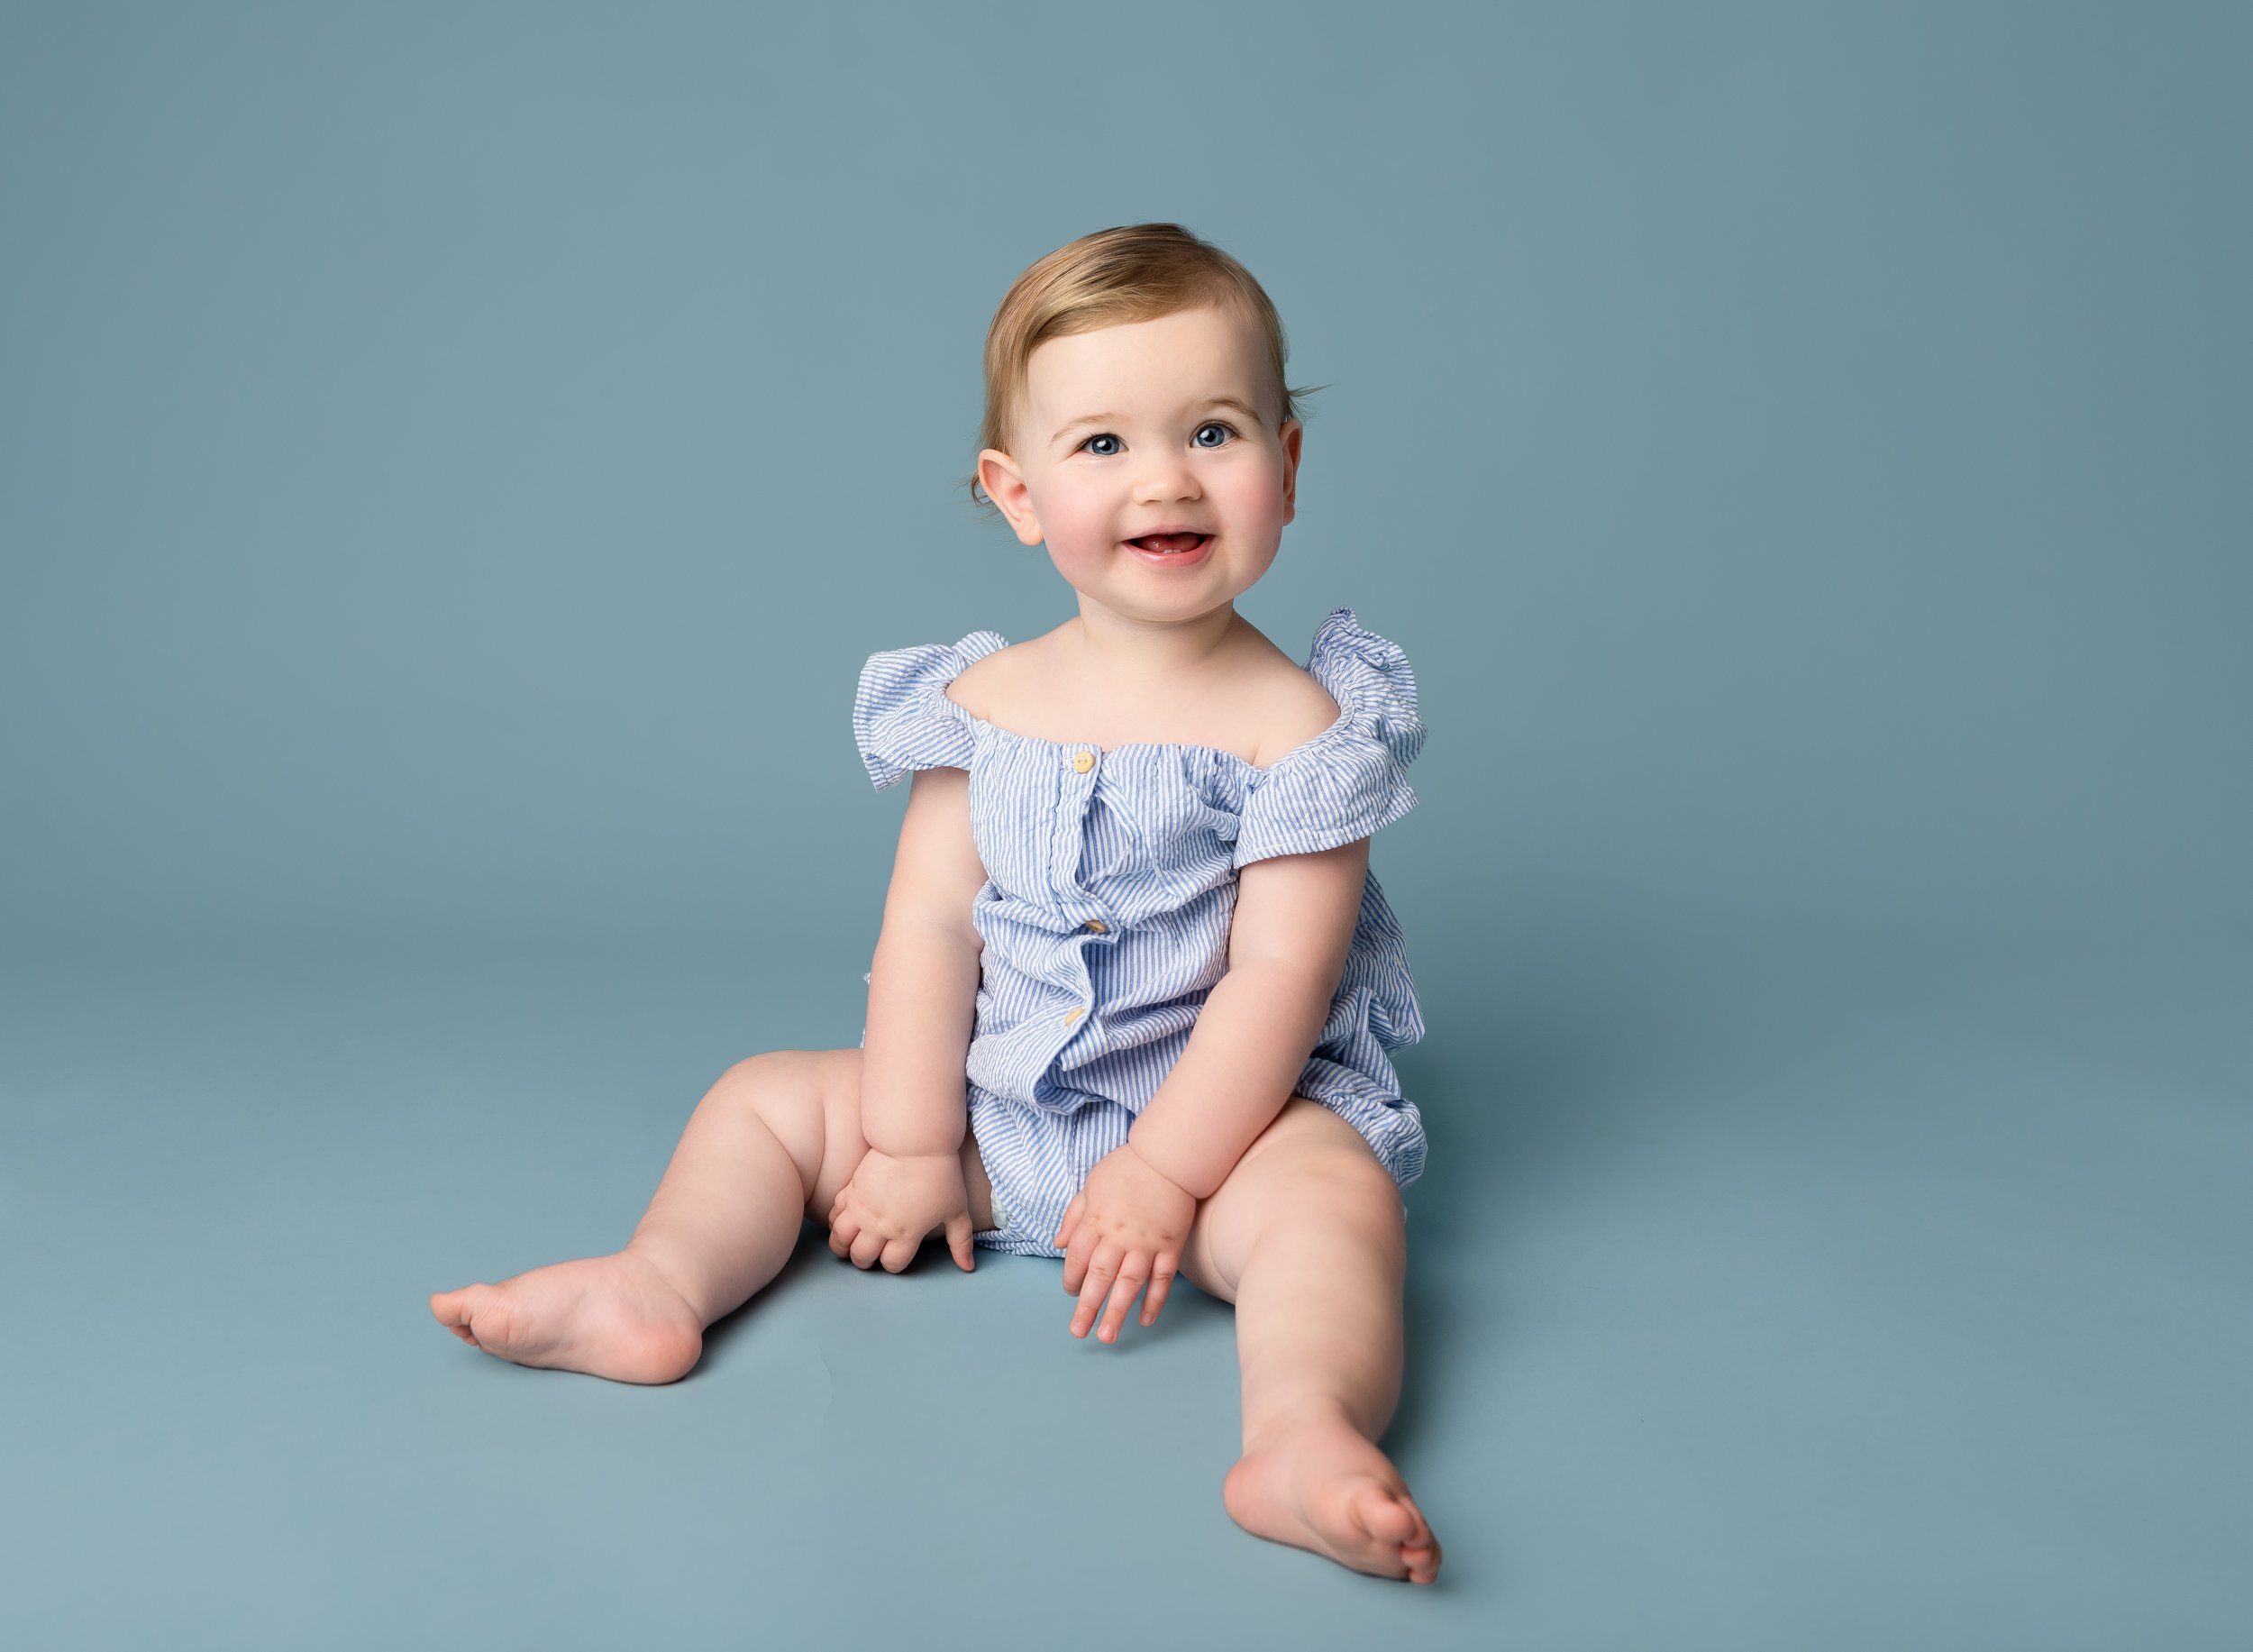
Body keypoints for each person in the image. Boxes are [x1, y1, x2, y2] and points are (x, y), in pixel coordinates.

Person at [429, 223, 1441, 1584]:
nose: (1167, 480)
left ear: (1287, 464)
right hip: (985, 1115)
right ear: (1015, 494)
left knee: (1337, 1203)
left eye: (1212, 431)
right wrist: (908, 1143)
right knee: (762, 1101)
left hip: (1213, 1151)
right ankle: (656, 1282)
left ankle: (1304, 1432)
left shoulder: (1300, 730)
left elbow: (1279, 981)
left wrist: (1161, 1174)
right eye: (1103, 446)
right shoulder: (984, 706)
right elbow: (926, 928)